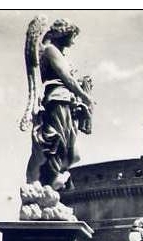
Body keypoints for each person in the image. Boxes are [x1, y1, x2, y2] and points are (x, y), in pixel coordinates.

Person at [22, 17, 94, 190]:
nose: (73, 41)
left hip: (66, 102)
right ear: (63, 34)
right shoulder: (50, 50)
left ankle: (52, 181)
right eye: (72, 36)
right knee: (58, 144)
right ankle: (49, 182)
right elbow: (66, 78)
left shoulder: (58, 52)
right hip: (57, 101)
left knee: (72, 154)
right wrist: (85, 96)